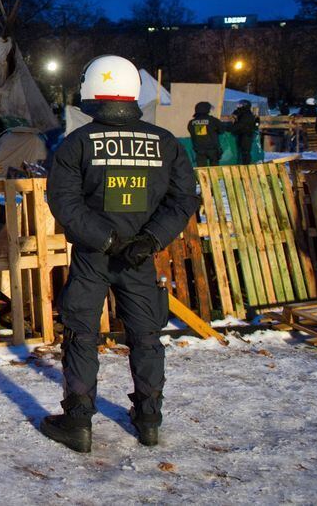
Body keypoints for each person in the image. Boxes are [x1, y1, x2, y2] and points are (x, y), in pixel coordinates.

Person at [43, 55, 199, 453]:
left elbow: (65, 202)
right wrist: (149, 240)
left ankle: (78, 423)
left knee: (81, 335)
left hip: (93, 256)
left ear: (92, 90)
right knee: (147, 336)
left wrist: (108, 240)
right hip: (140, 258)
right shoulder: (166, 143)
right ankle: (149, 419)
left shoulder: (77, 144)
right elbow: (183, 199)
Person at [187, 101, 225, 166]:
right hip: (212, 149)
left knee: (202, 170)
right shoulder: (213, 120)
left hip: (199, 150)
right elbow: (221, 130)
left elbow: (192, 132)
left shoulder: (191, 122)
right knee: (214, 170)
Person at [230, 99, 259, 164]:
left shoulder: (247, 115)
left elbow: (241, 124)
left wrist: (231, 128)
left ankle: (246, 165)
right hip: (241, 134)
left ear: (245, 106)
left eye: (240, 105)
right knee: (240, 151)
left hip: (246, 135)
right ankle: (242, 163)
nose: (238, 106)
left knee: (245, 152)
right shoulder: (240, 113)